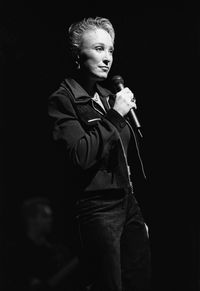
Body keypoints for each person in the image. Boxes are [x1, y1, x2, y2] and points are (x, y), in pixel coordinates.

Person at [48, 16, 151, 291]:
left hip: (127, 203)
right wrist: (115, 115)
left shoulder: (108, 96)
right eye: (98, 48)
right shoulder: (63, 99)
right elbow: (79, 155)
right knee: (109, 285)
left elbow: (123, 157)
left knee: (138, 281)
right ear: (76, 55)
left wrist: (135, 213)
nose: (107, 58)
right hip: (98, 208)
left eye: (110, 50)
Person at [11, 196, 82, 291]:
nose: (50, 220)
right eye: (45, 216)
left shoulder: (59, 251)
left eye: (50, 216)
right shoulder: (17, 253)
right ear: (31, 219)